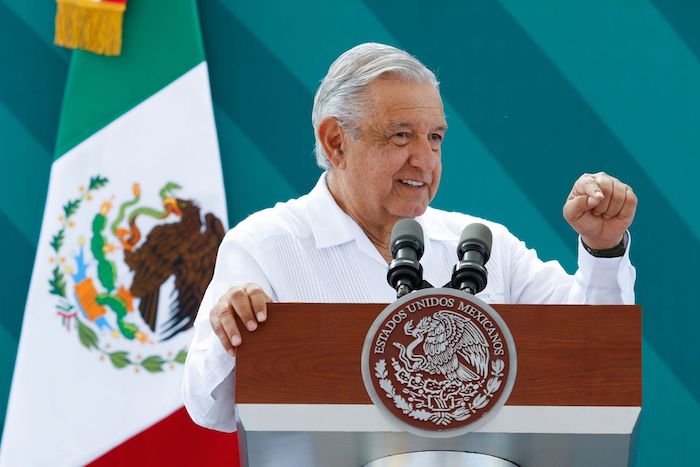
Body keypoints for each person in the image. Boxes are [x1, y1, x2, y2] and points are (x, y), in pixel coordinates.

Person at [182, 43, 637, 431]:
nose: (425, 160)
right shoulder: (266, 246)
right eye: (401, 136)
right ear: (336, 141)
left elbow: (593, 356)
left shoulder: (482, 244)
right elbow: (211, 410)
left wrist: (603, 249)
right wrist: (231, 338)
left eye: (435, 138)